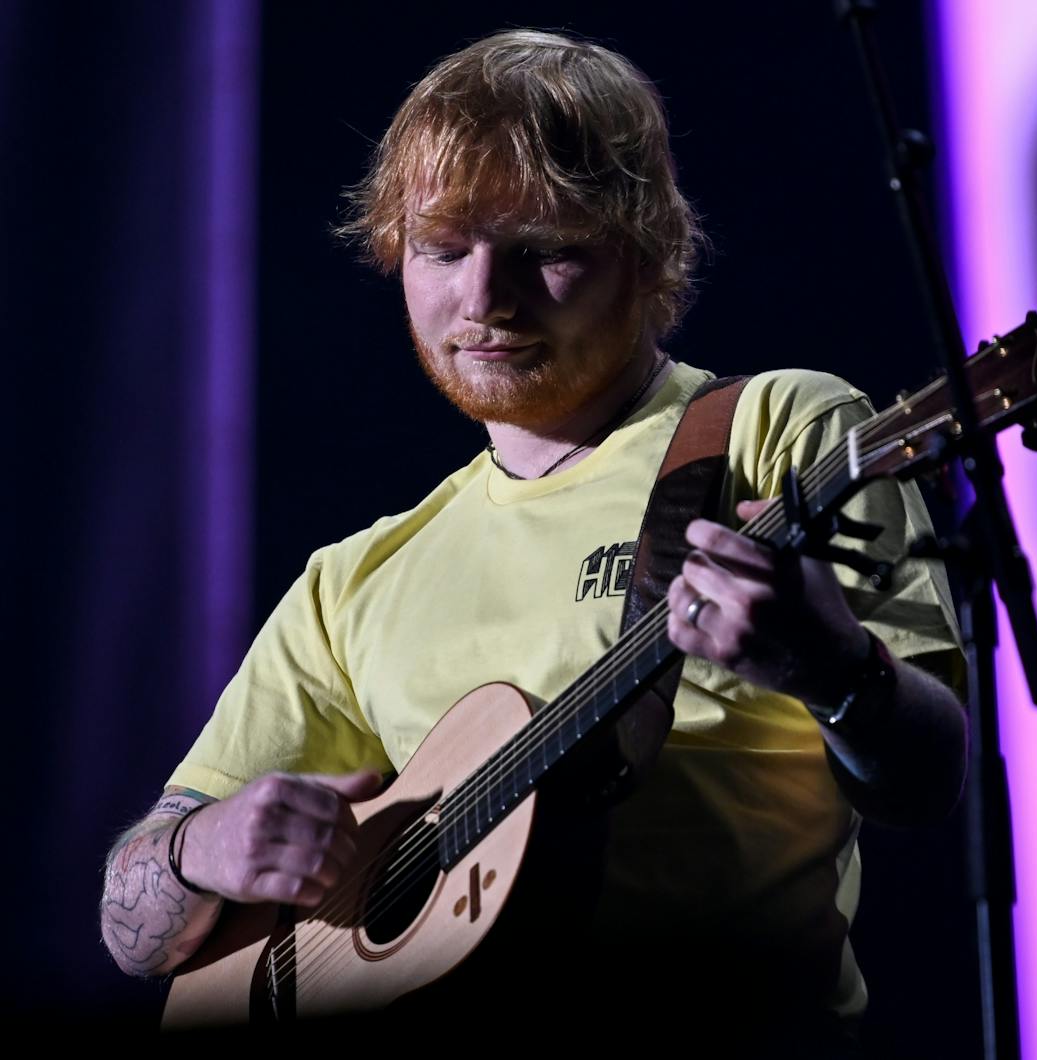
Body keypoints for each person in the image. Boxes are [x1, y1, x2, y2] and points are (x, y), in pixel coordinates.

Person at [100, 29, 967, 1046]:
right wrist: (202, 846)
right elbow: (134, 927)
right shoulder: (355, 578)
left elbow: (928, 779)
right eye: (441, 248)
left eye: (541, 248)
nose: (481, 297)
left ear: (646, 251)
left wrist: (833, 667)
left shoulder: (775, 433)